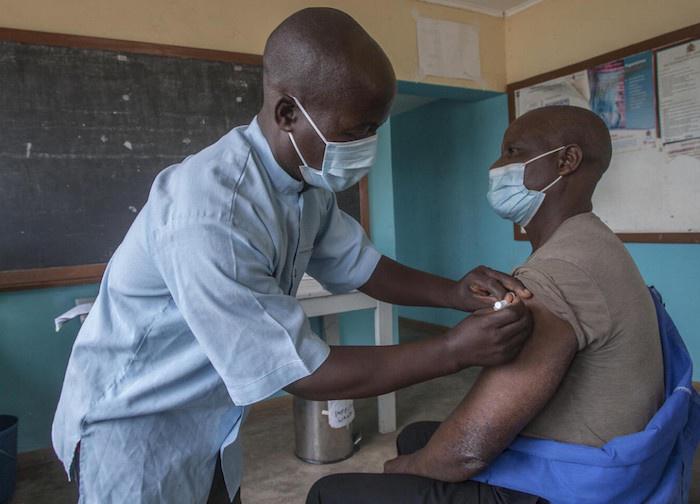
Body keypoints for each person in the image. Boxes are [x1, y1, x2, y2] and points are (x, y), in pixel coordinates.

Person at [52, 8, 534, 504]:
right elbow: (304, 372)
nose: (366, 146)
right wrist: (453, 352)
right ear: (288, 114)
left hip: (210, 418)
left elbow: (363, 267)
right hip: (137, 427)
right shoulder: (211, 213)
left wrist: (453, 292)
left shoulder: (307, 182)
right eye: (354, 130)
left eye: (375, 130)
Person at [306, 105, 680, 503]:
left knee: (331, 493)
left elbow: (466, 453)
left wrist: (402, 471)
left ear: (566, 161)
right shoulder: (595, 241)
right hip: (626, 461)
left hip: (579, 484)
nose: (497, 165)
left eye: (513, 152)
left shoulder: (558, 272)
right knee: (416, 436)